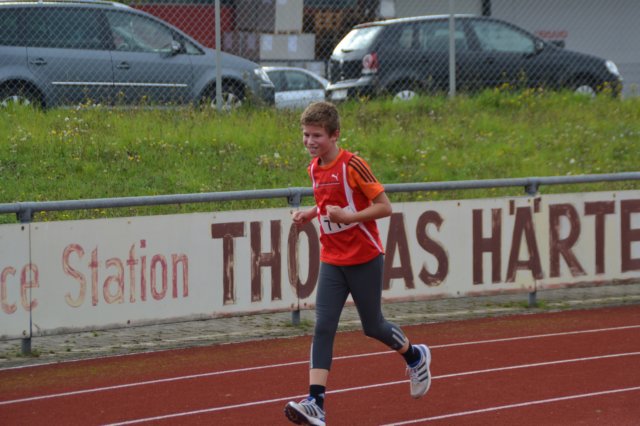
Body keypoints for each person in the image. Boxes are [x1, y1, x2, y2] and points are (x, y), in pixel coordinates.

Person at [284, 102, 432, 426]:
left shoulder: (353, 165)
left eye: (317, 135)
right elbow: (327, 203)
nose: (310, 141)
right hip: (331, 259)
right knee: (323, 326)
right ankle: (316, 402)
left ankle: (415, 356)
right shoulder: (314, 168)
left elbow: (385, 206)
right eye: (306, 135)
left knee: (373, 326)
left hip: (364, 257)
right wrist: (310, 214)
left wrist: (350, 218)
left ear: (334, 135)